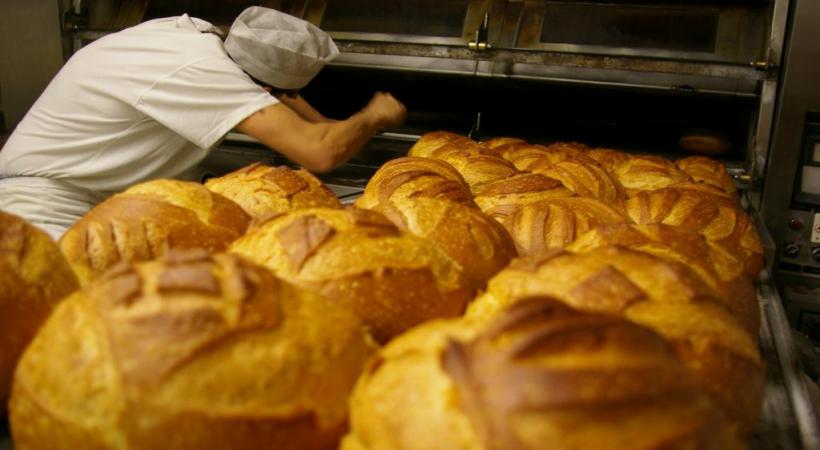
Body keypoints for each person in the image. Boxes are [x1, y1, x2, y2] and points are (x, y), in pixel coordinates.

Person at [0, 6, 406, 239]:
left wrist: (342, 124)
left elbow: (302, 111)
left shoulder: (195, 39)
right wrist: (373, 116)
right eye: (273, 94)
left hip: (98, 201)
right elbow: (318, 150)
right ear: (262, 87)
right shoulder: (202, 72)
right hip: (42, 205)